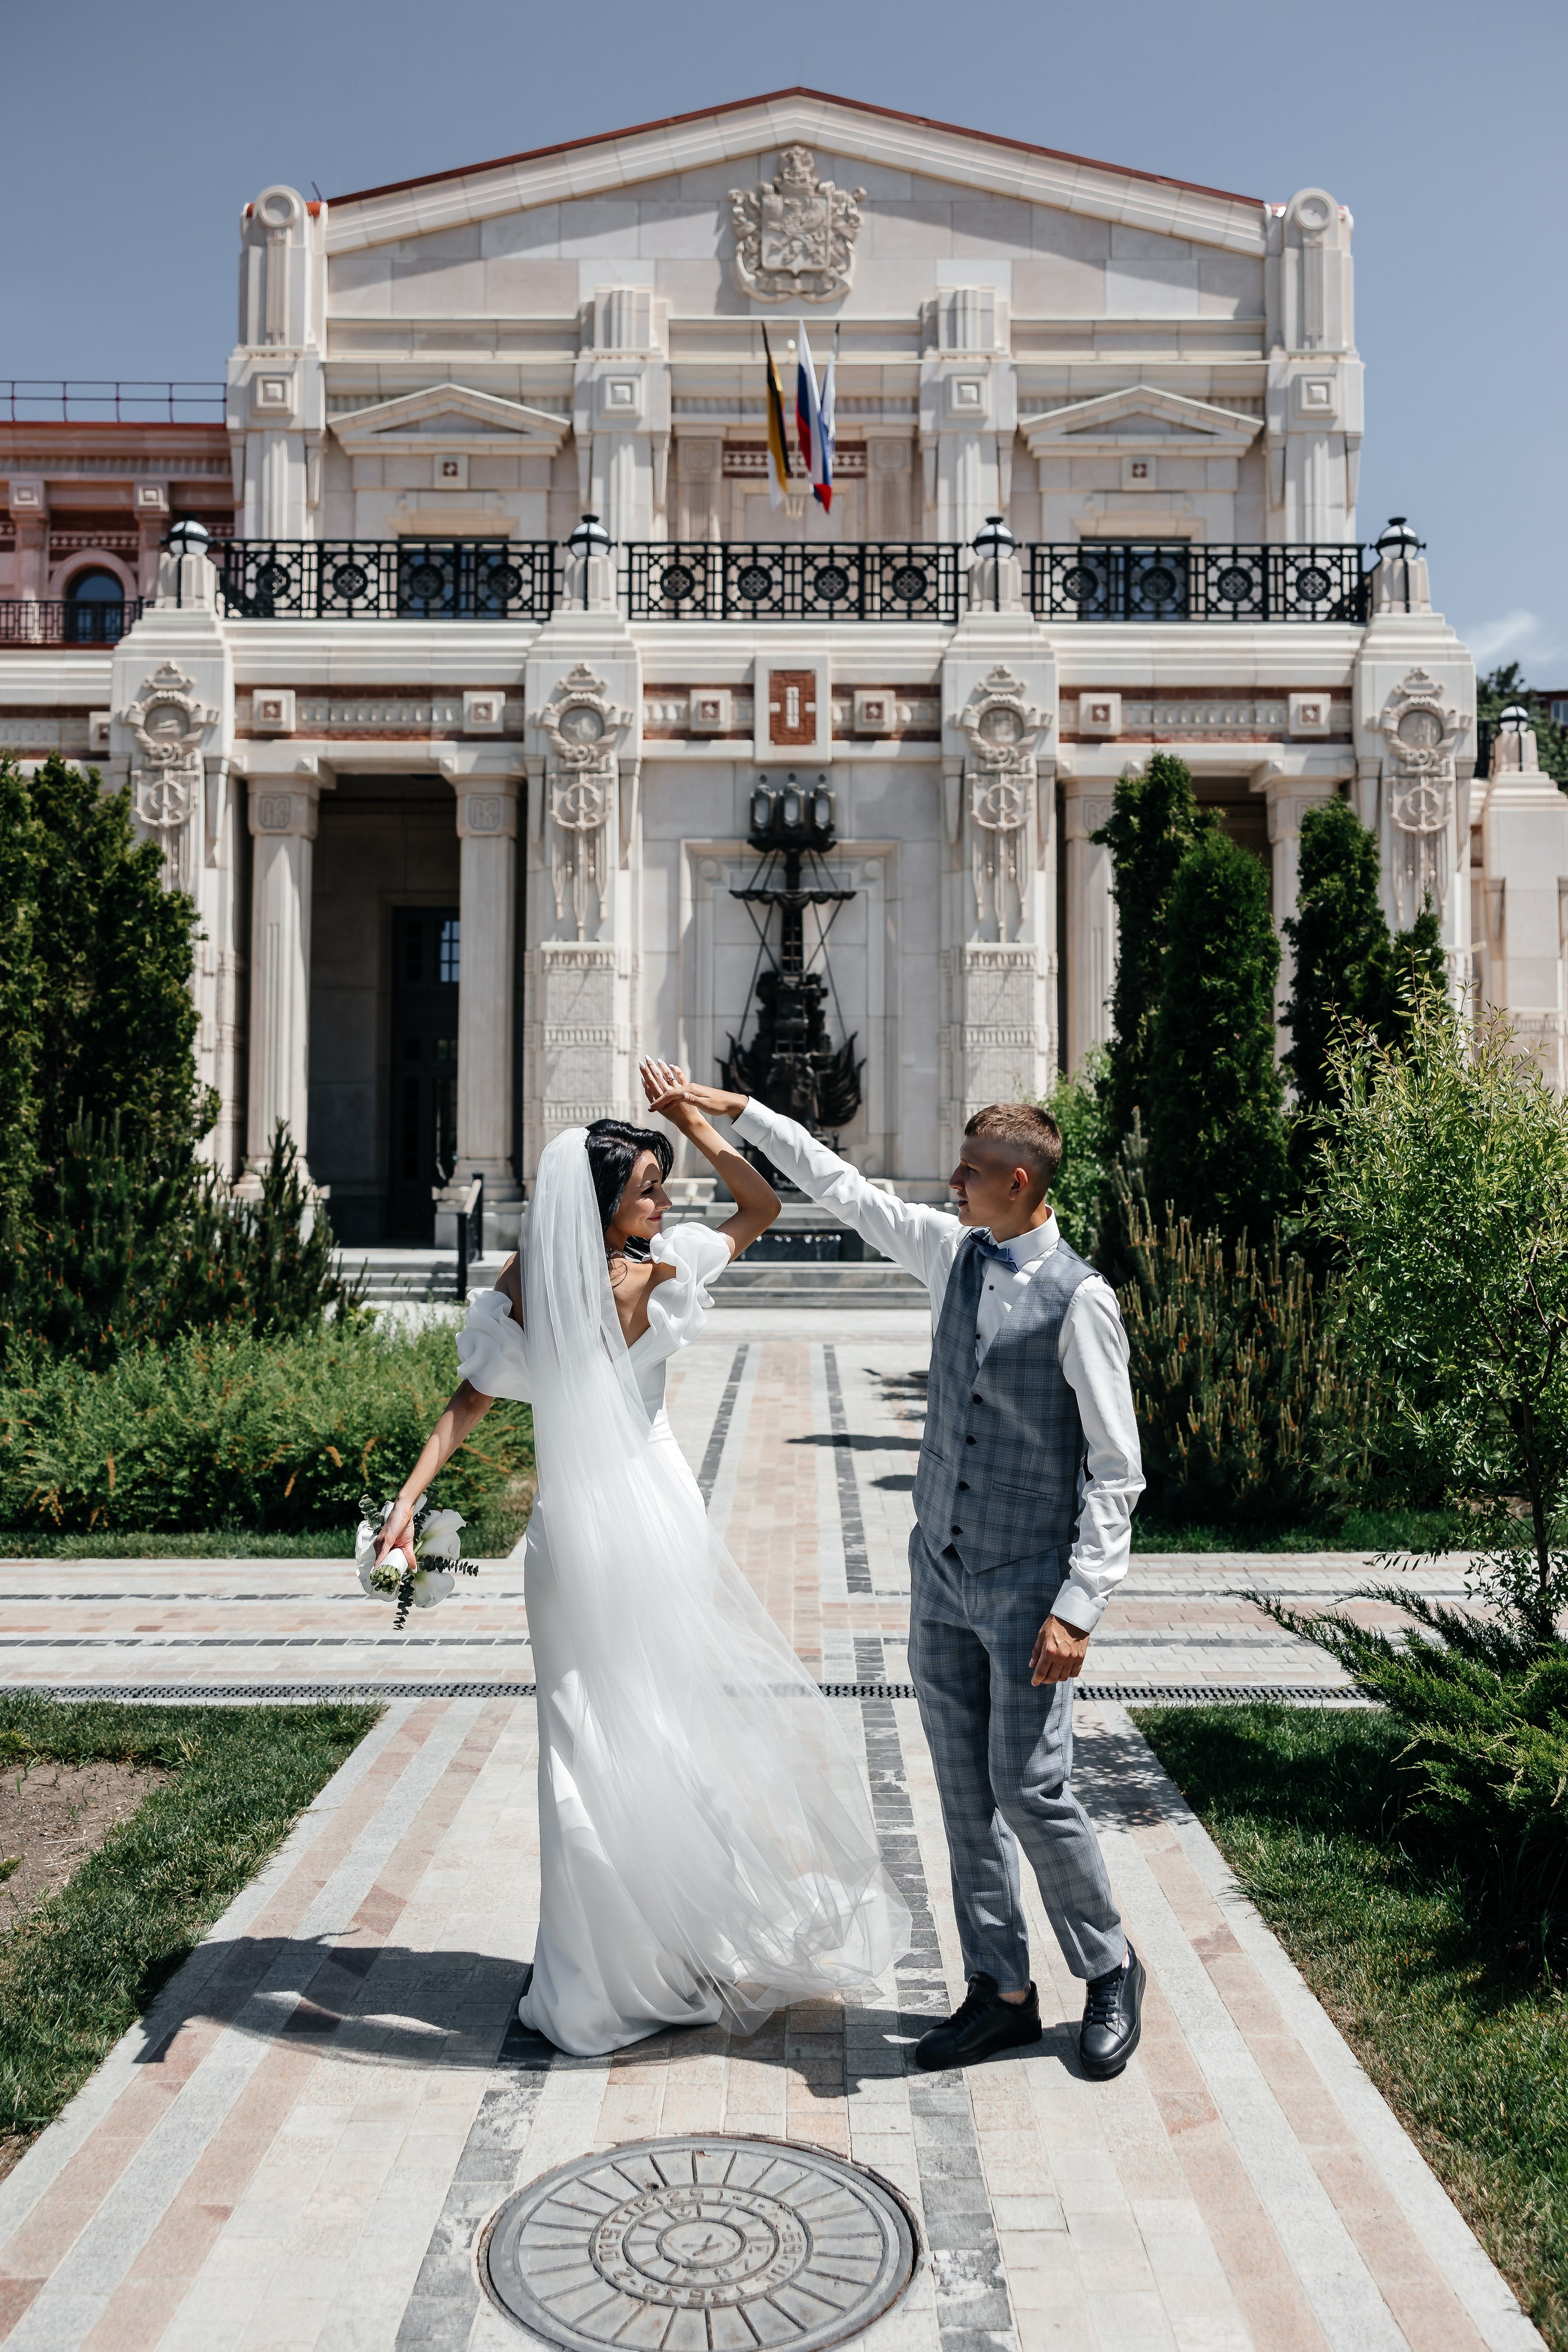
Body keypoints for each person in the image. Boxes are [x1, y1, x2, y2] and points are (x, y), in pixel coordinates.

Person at [639, 1060, 1145, 2081]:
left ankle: (1110, 1967)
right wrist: (739, 1113)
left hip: (1028, 1588)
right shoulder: (952, 1253)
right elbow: (842, 1186)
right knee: (964, 1795)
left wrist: (1079, 1608)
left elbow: (1119, 1472)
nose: (952, 1185)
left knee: (1031, 1786)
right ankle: (999, 1992)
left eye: (971, 1173)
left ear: (1023, 1186)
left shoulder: (1082, 1301)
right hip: (943, 1576)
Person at [375, 1095, 909, 2057]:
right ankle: (644, 1961)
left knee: (608, 1736)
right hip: (628, 1520)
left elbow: (472, 1397)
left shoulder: (567, 1273)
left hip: (601, 1526)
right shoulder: (631, 1274)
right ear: (604, 1200)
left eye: (665, 1187)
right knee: (617, 1734)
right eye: (650, 1188)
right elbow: (762, 1208)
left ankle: (609, 1978)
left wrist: (692, 1131)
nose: (668, 1201)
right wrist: (408, 1500)